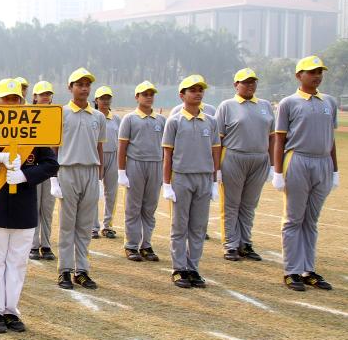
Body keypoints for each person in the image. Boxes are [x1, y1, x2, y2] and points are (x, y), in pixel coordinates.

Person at [0, 78, 59, 333]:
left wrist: (27, 175)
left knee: (17, 262)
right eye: (5, 100)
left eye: (15, 100)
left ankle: (11, 311)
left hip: (24, 205)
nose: (10, 104)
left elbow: (51, 164)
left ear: (22, 102)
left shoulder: (34, 130)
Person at [272, 55, 340, 291]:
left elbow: (331, 139)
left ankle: (308, 269)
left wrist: (335, 169)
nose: (317, 76)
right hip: (297, 160)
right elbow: (280, 139)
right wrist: (278, 171)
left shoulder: (329, 102)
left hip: (322, 163)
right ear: (299, 75)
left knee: (311, 220)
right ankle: (292, 270)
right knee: (294, 219)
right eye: (312, 72)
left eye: (320, 71)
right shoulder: (288, 103)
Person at [162, 75, 220, 288]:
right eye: (192, 90)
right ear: (182, 95)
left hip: (203, 177)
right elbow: (167, 154)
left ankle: (193, 267)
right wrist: (167, 183)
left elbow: (216, 151)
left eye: (200, 89)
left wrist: (214, 180)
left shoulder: (211, 121)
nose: (197, 93)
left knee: (198, 226)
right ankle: (179, 268)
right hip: (182, 177)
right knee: (180, 226)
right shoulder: (174, 121)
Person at [54, 68, 105, 290]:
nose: (84, 88)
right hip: (67, 170)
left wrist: (100, 178)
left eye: (87, 85)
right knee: (67, 224)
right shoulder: (61, 113)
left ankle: (81, 270)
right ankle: (64, 269)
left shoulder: (98, 116)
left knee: (85, 225)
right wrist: (53, 178)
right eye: (79, 84)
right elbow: (53, 148)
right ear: (70, 87)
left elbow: (100, 147)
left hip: (90, 171)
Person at [214, 68, 273, 262]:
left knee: (249, 204)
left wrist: (272, 165)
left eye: (253, 82)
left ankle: (245, 243)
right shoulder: (227, 106)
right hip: (233, 157)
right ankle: (230, 244)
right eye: (245, 82)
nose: (250, 85)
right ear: (236, 85)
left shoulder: (264, 105)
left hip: (259, 159)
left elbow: (272, 138)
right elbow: (218, 139)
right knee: (231, 204)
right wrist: (217, 168)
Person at [117, 81, 164, 262]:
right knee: (133, 207)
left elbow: (167, 148)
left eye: (151, 94)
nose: (149, 97)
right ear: (137, 97)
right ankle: (131, 245)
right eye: (145, 94)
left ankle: (146, 244)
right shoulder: (129, 119)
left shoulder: (161, 120)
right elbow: (122, 146)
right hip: (135, 164)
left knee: (150, 207)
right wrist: (122, 171)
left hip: (155, 164)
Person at [29, 81, 57, 261]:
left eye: (48, 94)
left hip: (50, 168)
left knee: (47, 208)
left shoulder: (56, 115)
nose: (45, 97)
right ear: (35, 97)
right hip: (33, 167)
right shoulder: (29, 115)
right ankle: (33, 245)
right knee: (34, 207)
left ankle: (46, 244)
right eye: (42, 94)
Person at [92, 86, 121, 239]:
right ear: (96, 100)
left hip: (113, 157)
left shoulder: (116, 119)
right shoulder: (93, 116)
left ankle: (107, 225)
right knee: (93, 192)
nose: (105, 101)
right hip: (96, 157)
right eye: (102, 98)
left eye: (108, 98)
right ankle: (93, 226)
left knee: (111, 192)